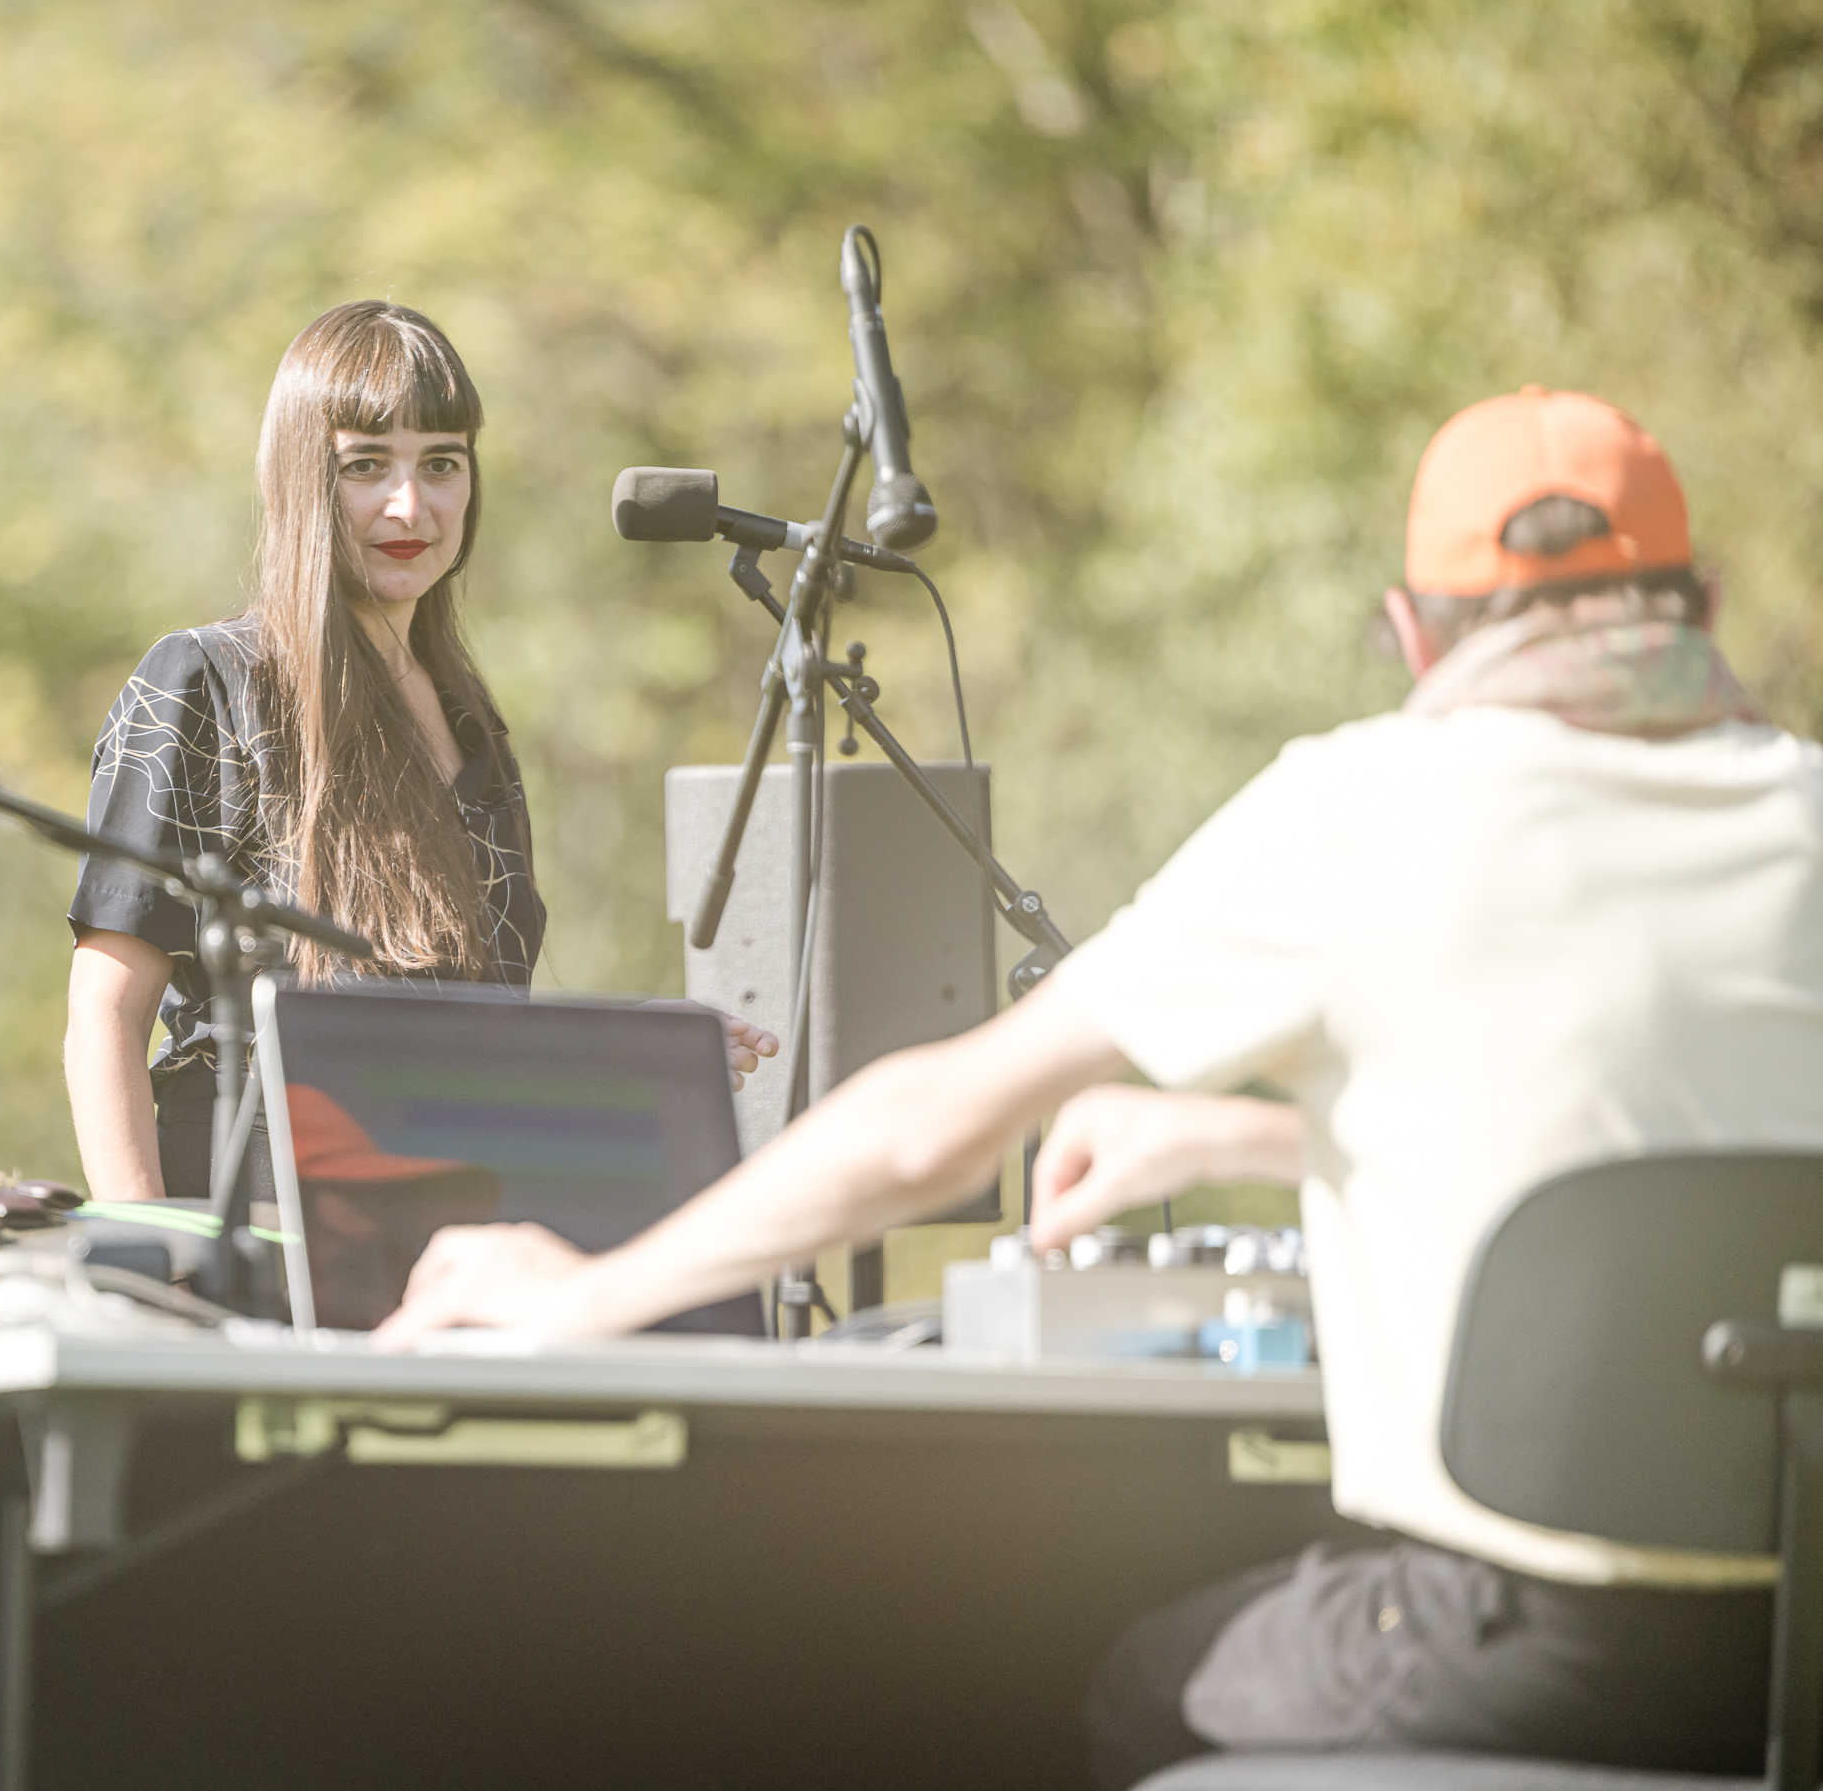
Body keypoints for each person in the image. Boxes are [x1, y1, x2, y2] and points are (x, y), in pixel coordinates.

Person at [377, 388, 1802, 1781]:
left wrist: (587, 1297)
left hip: (1520, 1645)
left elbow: (929, 1130)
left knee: (1129, 1682)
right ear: (1705, 600)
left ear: (1413, 630)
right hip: (1793, 1644)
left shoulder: (1375, 806)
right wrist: (1240, 1132)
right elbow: (1660, 1162)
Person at [65, 301, 773, 1204]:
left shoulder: (473, 724)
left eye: (442, 462)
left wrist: (643, 1044)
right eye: (367, 466)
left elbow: (468, 1044)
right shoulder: (204, 681)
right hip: (251, 1232)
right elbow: (105, 1015)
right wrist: (155, 1262)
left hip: (440, 1236)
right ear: (302, 481)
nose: (412, 505)